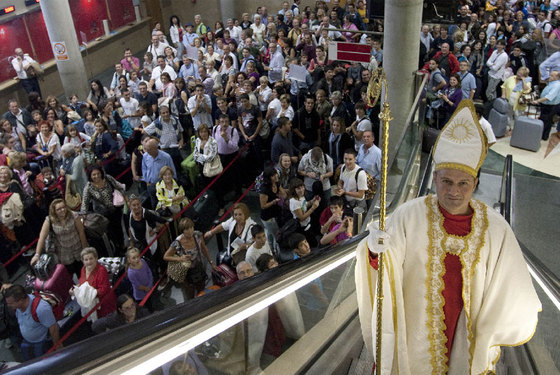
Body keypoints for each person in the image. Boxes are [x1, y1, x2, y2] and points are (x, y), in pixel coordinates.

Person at [355, 101, 541, 374]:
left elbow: (513, 286)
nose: (454, 191)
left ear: (475, 184)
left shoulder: (496, 229)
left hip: (468, 331)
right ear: (434, 178)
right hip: (415, 331)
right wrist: (373, 249)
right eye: (447, 182)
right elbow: (382, 263)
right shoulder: (409, 215)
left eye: (463, 183)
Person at [3, 284, 61, 360]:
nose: (8, 305)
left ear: (20, 300)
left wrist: (58, 348)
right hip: (28, 342)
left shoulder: (41, 309)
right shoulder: (17, 307)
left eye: (10, 303)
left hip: (43, 344)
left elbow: (53, 329)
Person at [32, 199, 88, 277]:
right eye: (59, 209)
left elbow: (81, 232)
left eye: (63, 207)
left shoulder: (74, 215)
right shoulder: (49, 220)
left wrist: (85, 249)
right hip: (64, 255)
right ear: (54, 211)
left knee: (84, 275)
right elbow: (42, 237)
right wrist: (37, 254)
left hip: (78, 250)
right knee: (68, 278)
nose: (62, 210)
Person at [164, 218, 215, 300]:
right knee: (189, 292)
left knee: (201, 289)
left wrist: (211, 263)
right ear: (182, 230)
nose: (190, 231)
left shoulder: (198, 235)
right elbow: (166, 256)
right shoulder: (178, 242)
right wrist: (180, 258)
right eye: (187, 229)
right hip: (187, 271)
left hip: (199, 266)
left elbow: (204, 249)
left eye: (191, 227)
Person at [80, 166, 128, 252]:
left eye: (98, 173)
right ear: (90, 176)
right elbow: (85, 202)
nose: (96, 176)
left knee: (118, 228)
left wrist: (127, 200)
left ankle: (122, 245)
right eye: (94, 174)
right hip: (102, 215)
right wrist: (83, 216)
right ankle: (114, 248)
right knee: (109, 232)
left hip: (115, 209)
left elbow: (119, 187)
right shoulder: (88, 187)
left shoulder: (108, 178)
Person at [70, 247, 117, 319]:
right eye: (86, 259)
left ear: (96, 258)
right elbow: (82, 283)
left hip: (104, 303)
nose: (89, 262)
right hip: (92, 304)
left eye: (91, 258)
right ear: (82, 261)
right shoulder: (83, 269)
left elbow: (103, 289)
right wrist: (75, 290)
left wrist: (89, 294)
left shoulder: (101, 270)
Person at [334, 148, 368, 215]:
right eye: (345, 159)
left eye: (350, 159)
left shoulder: (360, 174)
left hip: (358, 204)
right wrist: (339, 188)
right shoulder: (343, 167)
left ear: (355, 159)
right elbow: (341, 181)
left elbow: (360, 195)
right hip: (347, 202)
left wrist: (345, 192)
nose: (347, 161)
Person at [289, 178, 320, 247]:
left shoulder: (301, 196)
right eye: (298, 188)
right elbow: (301, 218)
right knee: (312, 244)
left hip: (308, 223)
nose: (301, 190)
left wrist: (312, 201)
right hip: (303, 227)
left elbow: (304, 205)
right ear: (294, 190)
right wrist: (313, 208)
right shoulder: (294, 202)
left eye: (302, 187)